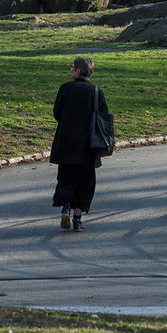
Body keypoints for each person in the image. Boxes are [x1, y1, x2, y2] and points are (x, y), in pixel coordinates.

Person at [49, 56, 109, 232]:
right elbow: (104, 116)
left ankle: (65, 206)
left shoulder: (65, 88)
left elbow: (57, 113)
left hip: (66, 143)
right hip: (89, 145)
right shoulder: (96, 92)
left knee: (66, 178)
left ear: (77, 71)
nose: (70, 70)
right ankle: (77, 219)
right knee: (86, 182)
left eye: (72, 67)